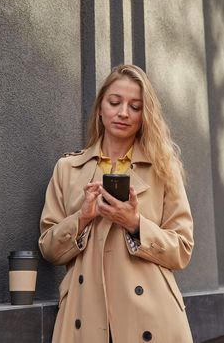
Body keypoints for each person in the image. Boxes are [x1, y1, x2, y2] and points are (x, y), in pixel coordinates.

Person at [39, 64, 194, 343]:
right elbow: (49, 249)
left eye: (135, 106)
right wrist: (82, 218)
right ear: (100, 108)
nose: (123, 113)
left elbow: (182, 249)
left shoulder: (163, 169)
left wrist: (135, 224)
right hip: (83, 320)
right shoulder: (67, 168)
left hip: (151, 320)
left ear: (144, 116)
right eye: (115, 102)